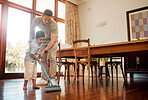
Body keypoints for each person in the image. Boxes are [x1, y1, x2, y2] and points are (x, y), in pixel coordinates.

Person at [30, 9, 58, 85]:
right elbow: (32, 28)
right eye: (45, 19)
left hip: (52, 41)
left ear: (51, 18)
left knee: (52, 58)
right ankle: (44, 79)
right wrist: (31, 40)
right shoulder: (37, 20)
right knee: (42, 59)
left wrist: (44, 51)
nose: (46, 22)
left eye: (49, 20)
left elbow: (53, 41)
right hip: (43, 40)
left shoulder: (53, 24)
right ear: (42, 16)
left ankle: (52, 78)